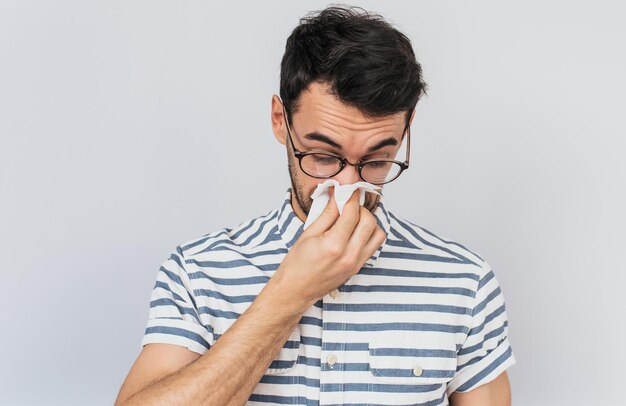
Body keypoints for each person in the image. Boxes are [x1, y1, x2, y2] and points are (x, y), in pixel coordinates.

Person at [115, 5, 516, 406]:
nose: (347, 185)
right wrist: (291, 291)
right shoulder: (199, 271)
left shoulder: (464, 280)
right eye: (324, 156)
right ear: (279, 121)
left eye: (377, 160)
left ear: (405, 130)